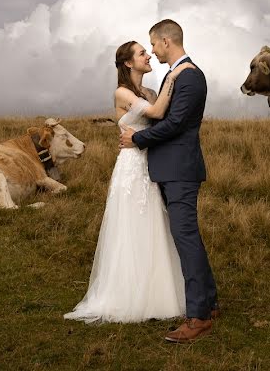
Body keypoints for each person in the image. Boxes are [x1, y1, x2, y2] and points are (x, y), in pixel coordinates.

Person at [64, 40, 193, 323]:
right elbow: (158, 113)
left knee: (154, 224)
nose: (148, 56)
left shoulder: (147, 91)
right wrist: (173, 77)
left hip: (150, 162)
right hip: (132, 166)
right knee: (132, 224)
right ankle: (128, 294)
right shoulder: (121, 92)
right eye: (141, 53)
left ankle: (158, 293)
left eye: (147, 51)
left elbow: (163, 120)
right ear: (128, 63)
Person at [119, 19, 219, 344]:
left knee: (185, 238)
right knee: (189, 237)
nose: (152, 51)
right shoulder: (176, 74)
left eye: (153, 44)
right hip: (172, 169)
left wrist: (139, 139)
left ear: (165, 41)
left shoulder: (189, 76)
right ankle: (208, 303)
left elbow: (175, 124)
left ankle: (199, 317)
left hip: (180, 170)